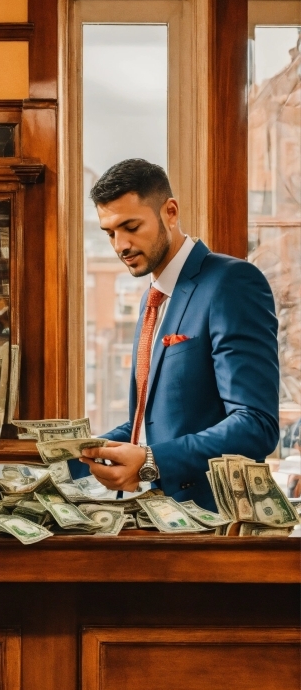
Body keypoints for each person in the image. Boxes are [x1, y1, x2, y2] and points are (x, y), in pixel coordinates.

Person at [75, 158, 279, 510]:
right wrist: (74, 457)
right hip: (157, 524)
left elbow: (256, 424)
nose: (120, 245)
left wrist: (152, 462)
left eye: (131, 226)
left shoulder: (232, 282)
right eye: (110, 233)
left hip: (214, 529)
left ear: (170, 212)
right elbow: (154, 419)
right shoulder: (151, 298)